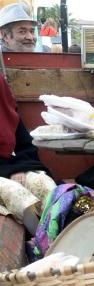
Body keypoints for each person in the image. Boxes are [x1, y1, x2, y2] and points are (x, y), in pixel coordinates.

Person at [0, 73, 55, 233]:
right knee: (16, 194)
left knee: (45, 185)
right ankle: (43, 243)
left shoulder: (6, 114)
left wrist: (20, 168)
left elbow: (26, 147)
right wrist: (9, 171)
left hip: (9, 165)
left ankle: (59, 233)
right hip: (5, 171)